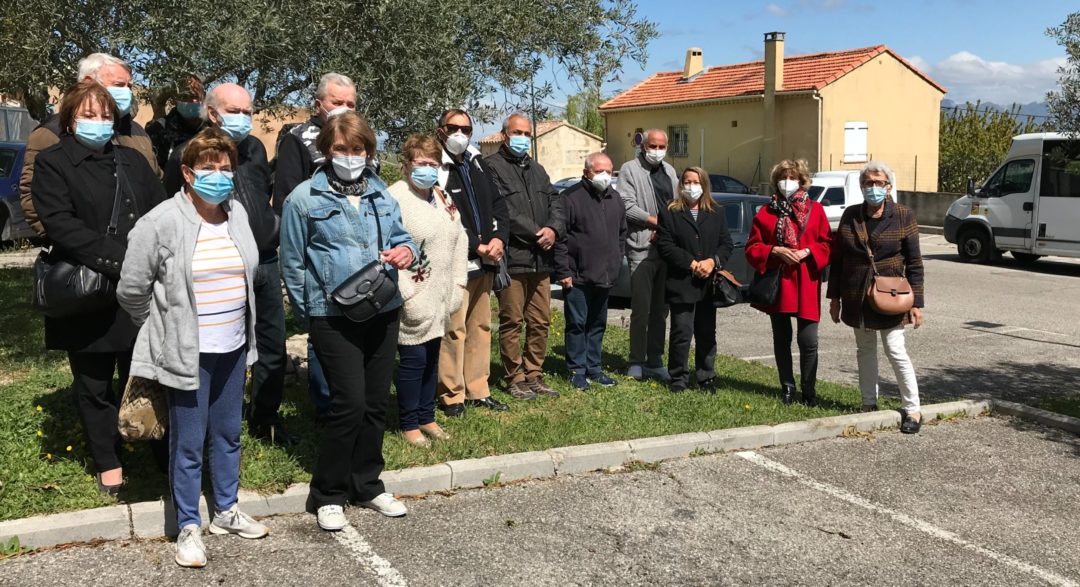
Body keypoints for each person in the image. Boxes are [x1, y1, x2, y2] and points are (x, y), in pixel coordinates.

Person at [117, 128, 268, 568]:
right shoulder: (161, 221)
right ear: (187, 172)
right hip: (187, 352)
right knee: (187, 442)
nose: (218, 176)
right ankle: (187, 524)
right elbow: (132, 289)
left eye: (226, 168)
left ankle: (225, 510)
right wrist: (161, 328)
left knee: (227, 434)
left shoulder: (235, 213)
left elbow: (249, 273)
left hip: (234, 346)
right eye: (207, 168)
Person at [280, 112, 418, 531]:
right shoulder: (303, 198)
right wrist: (311, 314)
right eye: (341, 149)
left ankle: (368, 484)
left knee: (376, 403)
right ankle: (329, 492)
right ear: (326, 150)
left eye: (358, 149)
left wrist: (406, 252)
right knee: (349, 405)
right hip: (332, 315)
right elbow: (292, 262)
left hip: (383, 307)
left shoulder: (381, 193)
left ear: (369, 152)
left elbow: (402, 238)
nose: (350, 156)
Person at [31, 80, 166, 496]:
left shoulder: (131, 160)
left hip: (137, 290)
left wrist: (148, 262)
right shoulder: (54, 162)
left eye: (105, 115)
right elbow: (60, 224)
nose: (99, 122)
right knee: (93, 383)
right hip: (89, 288)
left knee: (143, 374)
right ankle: (109, 462)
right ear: (71, 119)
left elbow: (159, 212)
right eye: (89, 115)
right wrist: (120, 260)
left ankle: (161, 455)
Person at [164, 84, 290, 446]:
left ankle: (264, 419)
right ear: (214, 114)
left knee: (272, 345)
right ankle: (210, 424)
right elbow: (174, 205)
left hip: (264, 261)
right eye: (235, 110)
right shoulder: (186, 154)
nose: (244, 118)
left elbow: (263, 193)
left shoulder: (253, 148)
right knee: (221, 351)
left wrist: (273, 226)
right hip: (219, 266)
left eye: (248, 111)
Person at [272, 72, 357, 419]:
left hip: (359, 251)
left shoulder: (359, 137)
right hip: (318, 251)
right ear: (319, 104)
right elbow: (288, 198)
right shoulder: (297, 139)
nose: (344, 109)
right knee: (324, 330)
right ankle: (326, 406)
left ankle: (353, 399)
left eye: (351, 103)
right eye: (337, 103)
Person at [827, 161, 926, 433]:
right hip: (855, 294)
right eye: (868, 183)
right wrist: (834, 299)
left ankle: (913, 409)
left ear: (888, 187)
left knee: (895, 350)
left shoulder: (904, 215)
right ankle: (868, 403)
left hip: (890, 295)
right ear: (861, 187)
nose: (873, 188)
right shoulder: (851, 215)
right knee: (865, 349)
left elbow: (915, 263)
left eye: (878, 182)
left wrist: (917, 302)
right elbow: (838, 260)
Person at [21, 53, 161, 237]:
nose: (127, 92)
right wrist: (71, 242)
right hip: (82, 251)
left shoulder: (137, 132)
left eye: (129, 86)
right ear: (88, 81)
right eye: (119, 85)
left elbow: (155, 184)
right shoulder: (51, 133)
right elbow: (33, 199)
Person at [388, 134, 468, 446]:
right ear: (407, 165)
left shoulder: (442, 196)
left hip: (443, 295)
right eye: (421, 163)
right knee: (413, 361)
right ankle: (408, 424)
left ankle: (427, 416)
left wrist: (459, 283)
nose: (428, 169)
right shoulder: (395, 197)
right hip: (415, 296)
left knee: (432, 359)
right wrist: (408, 294)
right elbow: (388, 251)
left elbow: (459, 238)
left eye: (433, 164)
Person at [435, 108, 510, 416]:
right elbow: (445, 213)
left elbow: (498, 204)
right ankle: (452, 394)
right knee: (453, 330)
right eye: (453, 128)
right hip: (457, 263)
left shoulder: (475, 162)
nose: (460, 135)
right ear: (440, 129)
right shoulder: (435, 166)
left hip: (486, 261)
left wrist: (499, 239)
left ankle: (477, 388)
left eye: (466, 130)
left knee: (480, 326)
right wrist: (478, 245)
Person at [484, 113, 564, 400]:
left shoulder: (537, 169)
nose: (522, 138)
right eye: (517, 132)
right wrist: (536, 232)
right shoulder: (491, 166)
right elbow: (502, 208)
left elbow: (556, 200)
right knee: (512, 321)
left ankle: (534, 373)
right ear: (505, 135)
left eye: (527, 134)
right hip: (514, 257)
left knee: (541, 320)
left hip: (541, 260)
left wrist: (553, 228)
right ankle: (514, 376)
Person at [745, 159, 831, 405]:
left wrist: (808, 252)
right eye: (784, 177)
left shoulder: (817, 211)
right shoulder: (766, 212)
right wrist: (774, 251)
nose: (788, 182)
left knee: (808, 341)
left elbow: (827, 244)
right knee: (781, 339)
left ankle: (809, 390)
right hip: (779, 283)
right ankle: (787, 387)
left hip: (806, 281)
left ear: (802, 181)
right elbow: (752, 248)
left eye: (793, 177)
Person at [656, 168, 734, 393]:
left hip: (709, 284)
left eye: (696, 182)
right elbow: (665, 246)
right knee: (681, 332)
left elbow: (726, 244)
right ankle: (678, 378)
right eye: (687, 182)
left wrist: (713, 262)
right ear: (681, 185)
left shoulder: (716, 211)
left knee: (707, 332)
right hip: (682, 282)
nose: (691, 186)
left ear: (704, 185)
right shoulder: (670, 211)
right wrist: (691, 263)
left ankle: (705, 376)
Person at [553, 153, 626, 391]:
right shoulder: (571, 198)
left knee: (597, 324)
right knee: (577, 323)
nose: (605, 176)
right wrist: (563, 271)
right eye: (599, 171)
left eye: (609, 171)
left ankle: (594, 368)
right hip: (577, 276)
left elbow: (621, 234)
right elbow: (560, 239)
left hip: (605, 275)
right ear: (587, 172)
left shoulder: (615, 198)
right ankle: (576, 370)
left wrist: (616, 260)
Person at [619, 128, 678, 382]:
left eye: (662, 146)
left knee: (661, 310)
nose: (657, 151)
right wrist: (655, 222)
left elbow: (677, 204)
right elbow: (626, 205)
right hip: (642, 248)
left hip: (666, 250)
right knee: (641, 309)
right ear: (644, 146)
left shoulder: (670, 172)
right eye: (653, 146)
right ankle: (636, 360)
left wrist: (669, 231)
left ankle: (655, 359)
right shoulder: (629, 169)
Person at [146, 74, 207, 170]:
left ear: (204, 96)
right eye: (185, 96)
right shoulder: (159, 129)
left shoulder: (212, 128)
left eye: (195, 96)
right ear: (175, 98)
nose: (191, 100)